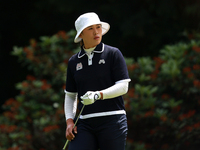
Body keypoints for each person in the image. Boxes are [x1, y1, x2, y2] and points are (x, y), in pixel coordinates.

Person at [64, 12, 131, 150]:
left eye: (98, 27)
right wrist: (70, 121)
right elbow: (71, 95)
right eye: (90, 28)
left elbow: (123, 86)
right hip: (85, 124)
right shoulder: (73, 62)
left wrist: (98, 95)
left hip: (113, 120)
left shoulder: (113, 54)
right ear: (81, 34)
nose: (96, 32)